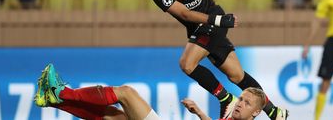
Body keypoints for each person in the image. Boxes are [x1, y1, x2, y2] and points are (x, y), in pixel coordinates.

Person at [149, 0, 288, 120]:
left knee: (187, 64)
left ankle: (226, 99)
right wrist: (217, 20)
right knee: (237, 75)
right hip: (210, 24)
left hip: (212, 24)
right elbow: (184, 14)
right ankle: (274, 112)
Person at [34, 63, 269, 120]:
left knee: (126, 93)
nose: (240, 103)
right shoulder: (231, 115)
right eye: (242, 98)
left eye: (247, 104)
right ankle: (51, 100)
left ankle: (62, 93)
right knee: (113, 115)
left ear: (257, 113)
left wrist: (199, 114)